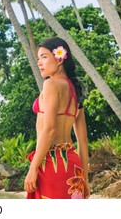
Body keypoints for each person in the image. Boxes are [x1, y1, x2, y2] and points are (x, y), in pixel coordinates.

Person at [25, 37, 90, 199]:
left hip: (52, 164)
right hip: (73, 166)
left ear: (59, 58)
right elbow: (83, 140)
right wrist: (85, 179)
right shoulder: (75, 92)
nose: (39, 63)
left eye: (44, 57)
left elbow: (50, 129)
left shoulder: (51, 84)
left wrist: (33, 169)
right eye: (38, 58)